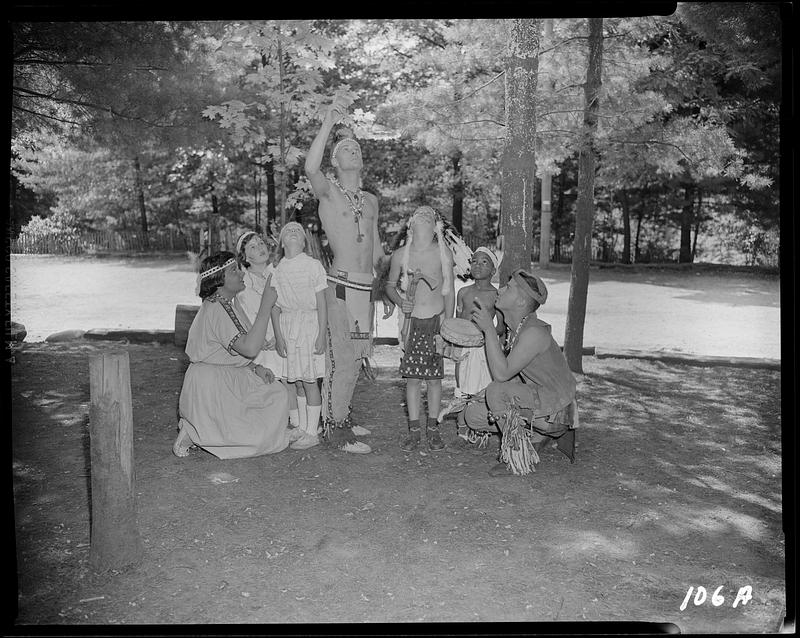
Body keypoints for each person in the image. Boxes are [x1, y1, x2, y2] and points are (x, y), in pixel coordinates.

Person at [305, 96, 392, 454]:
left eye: (356, 148)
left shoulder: (371, 200)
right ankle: (337, 431)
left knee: (356, 357)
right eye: (345, 148)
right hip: (339, 286)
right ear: (335, 161)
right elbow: (310, 169)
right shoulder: (327, 191)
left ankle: (341, 412)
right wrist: (328, 124)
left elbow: (374, 249)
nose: (353, 151)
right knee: (343, 356)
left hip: (364, 289)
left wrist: (386, 290)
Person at [173, 251, 297, 459]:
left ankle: (202, 428)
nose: (241, 274)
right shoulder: (216, 308)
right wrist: (266, 305)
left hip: (227, 376)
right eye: (233, 271)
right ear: (219, 280)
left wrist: (255, 368)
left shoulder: (225, 304)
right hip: (211, 385)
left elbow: (233, 350)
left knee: (276, 394)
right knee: (255, 441)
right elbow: (249, 348)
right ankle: (194, 431)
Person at [462, 268, 579, 476]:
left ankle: (515, 456)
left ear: (521, 303)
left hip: (558, 413)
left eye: (509, 287)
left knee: (496, 392)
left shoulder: (533, 332)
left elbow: (501, 375)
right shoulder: (517, 329)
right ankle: (535, 437)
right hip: (541, 401)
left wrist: (489, 329)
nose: (501, 289)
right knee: (473, 415)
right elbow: (517, 374)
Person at [384, 206, 456, 452]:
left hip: (435, 322)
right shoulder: (400, 256)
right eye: (418, 215)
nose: (423, 215)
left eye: (429, 215)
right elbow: (390, 286)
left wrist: (448, 323)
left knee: (435, 380)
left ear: (436, 225)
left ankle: (433, 429)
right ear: (410, 225)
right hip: (411, 324)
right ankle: (415, 430)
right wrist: (399, 301)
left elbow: (449, 290)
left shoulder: (442, 254)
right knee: (413, 379)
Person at [271, 222, 328, 451]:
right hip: (288, 326)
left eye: (298, 231)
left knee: (310, 380)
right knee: (297, 382)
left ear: (304, 241)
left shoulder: (313, 266)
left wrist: (321, 334)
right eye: (288, 231)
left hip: (309, 326)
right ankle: (303, 427)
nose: (293, 232)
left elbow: (322, 303)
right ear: (282, 242)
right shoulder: (277, 269)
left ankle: (313, 431)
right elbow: (274, 307)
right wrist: (278, 335)